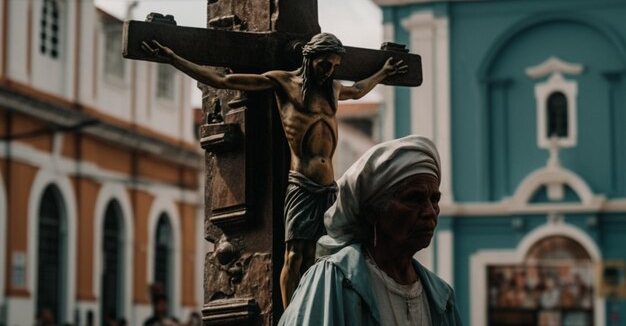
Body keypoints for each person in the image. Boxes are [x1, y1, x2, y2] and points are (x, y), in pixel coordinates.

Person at [142, 32, 408, 307]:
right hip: (303, 183)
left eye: (334, 66)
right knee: (295, 254)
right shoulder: (284, 82)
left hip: (329, 187)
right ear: (309, 58)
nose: (329, 71)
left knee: (324, 255)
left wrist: (382, 72)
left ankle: (316, 311)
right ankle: (292, 316)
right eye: (324, 64)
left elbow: (360, 89)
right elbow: (224, 80)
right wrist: (174, 59)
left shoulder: (333, 89)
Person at [279, 135, 462, 325]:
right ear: (373, 212)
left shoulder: (442, 298)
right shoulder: (333, 280)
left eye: (434, 200)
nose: (430, 212)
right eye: (414, 198)